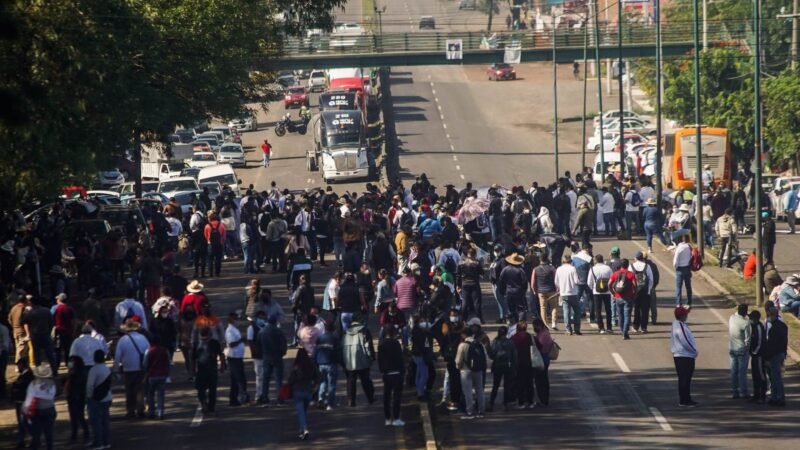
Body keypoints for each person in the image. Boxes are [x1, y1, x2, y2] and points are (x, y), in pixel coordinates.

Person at [113, 318, 150, 418]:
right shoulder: (142, 338)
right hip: (141, 367)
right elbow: (148, 351)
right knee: (140, 390)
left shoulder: (122, 340)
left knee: (129, 390)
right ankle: (140, 409)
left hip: (128, 368)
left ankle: (130, 410)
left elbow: (117, 356)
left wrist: (115, 369)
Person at [342, 315, 375, 406]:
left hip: (349, 360)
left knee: (351, 380)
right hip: (362, 359)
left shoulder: (346, 332)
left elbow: (342, 346)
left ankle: (351, 400)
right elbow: (368, 346)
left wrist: (344, 361)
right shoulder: (364, 331)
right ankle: (370, 398)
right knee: (365, 380)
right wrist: (371, 357)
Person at [23, 363, 57, 450]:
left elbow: (29, 398)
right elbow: (51, 396)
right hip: (49, 409)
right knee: (49, 433)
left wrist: (25, 409)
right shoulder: (52, 383)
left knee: (36, 433)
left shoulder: (33, 384)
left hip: (38, 410)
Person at [455, 328, 487, 419]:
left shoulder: (462, 345)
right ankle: (481, 410)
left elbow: (458, 360)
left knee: (468, 392)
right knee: (479, 390)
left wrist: (459, 367)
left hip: (466, 370)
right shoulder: (479, 344)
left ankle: (470, 411)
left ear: (464, 335)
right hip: (478, 370)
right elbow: (484, 357)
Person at [193, 326, 225, 414]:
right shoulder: (213, 342)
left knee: (202, 389)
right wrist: (222, 366)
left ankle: (206, 404)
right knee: (210, 390)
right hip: (209, 370)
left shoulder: (198, 344)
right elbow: (221, 355)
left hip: (204, 370)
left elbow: (192, 359)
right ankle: (209, 406)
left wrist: (192, 371)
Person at [378, 325, 405, 426]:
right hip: (397, 373)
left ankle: (388, 418)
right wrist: (402, 371)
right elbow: (400, 358)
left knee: (387, 396)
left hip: (387, 373)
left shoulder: (381, 344)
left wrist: (382, 370)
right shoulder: (396, 344)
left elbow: (380, 360)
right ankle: (396, 418)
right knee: (397, 397)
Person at [671, 306, 698, 407]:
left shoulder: (678, 324)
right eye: (686, 314)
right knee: (685, 379)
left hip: (682, 355)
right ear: (682, 316)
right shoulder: (680, 327)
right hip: (684, 355)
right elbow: (685, 341)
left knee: (684, 379)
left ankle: (686, 398)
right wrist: (694, 351)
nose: (687, 315)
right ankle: (684, 400)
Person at [259, 313, 287, 405]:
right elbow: (283, 344)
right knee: (278, 379)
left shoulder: (262, 331)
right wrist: (282, 353)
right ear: (275, 321)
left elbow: (258, 343)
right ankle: (279, 398)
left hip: (266, 357)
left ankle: (264, 397)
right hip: (277, 357)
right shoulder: (278, 331)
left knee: (266, 378)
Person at [86, 350, 112, 450]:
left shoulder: (93, 370)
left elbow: (90, 385)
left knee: (96, 422)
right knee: (105, 421)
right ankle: (106, 442)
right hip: (107, 397)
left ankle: (98, 443)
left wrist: (89, 396)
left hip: (96, 398)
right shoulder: (107, 369)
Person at [289, 348, 316, 440]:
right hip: (308, 392)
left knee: (300, 412)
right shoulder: (311, 366)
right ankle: (302, 430)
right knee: (304, 412)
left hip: (298, 392)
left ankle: (304, 429)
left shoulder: (296, 368)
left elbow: (291, 380)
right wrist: (314, 389)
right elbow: (319, 378)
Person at [763, 307, 787, 407]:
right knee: (776, 377)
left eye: (769, 315)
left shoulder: (774, 329)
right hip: (781, 353)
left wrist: (767, 357)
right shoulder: (783, 326)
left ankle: (779, 397)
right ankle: (775, 397)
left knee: (775, 378)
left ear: (772, 315)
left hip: (774, 355)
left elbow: (771, 344)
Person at [488, 325, 516, 411]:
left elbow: (491, 354)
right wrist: (514, 366)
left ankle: (491, 403)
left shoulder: (495, 342)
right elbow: (514, 355)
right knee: (507, 386)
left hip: (497, 365)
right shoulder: (510, 342)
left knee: (495, 385)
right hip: (507, 366)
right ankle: (506, 404)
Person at [224, 312, 248, 406]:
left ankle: (234, 399)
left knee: (235, 379)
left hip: (238, 357)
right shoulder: (230, 330)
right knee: (239, 379)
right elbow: (231, 344)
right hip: (234, 358)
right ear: (230, 320)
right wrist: (241, 339)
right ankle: (240, 398)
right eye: (235, 319)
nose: (237, 320)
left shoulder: (234, 329)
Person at [143, 335, 170, 419]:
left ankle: (151, 412)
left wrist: (146, 372)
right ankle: (160, 413)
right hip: (162, 375)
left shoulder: (149, 351)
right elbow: (168, 362)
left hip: (152, 375)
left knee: (150, 394)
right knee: (161, 395)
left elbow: (145, 364)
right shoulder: (165, 350)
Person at [609, 259, 637, 339]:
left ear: (620, 265)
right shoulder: (631, 274)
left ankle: (622, 331)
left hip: (618, 297)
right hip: (628, 297)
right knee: (627, 315)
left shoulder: (615, 273)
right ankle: (625, 332)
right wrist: (634, 294)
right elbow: (635, 285)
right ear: (628, 265)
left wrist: (613, 293)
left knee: (620, 315)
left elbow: (609, 284)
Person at [315, 320, 340, 410]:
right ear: (333, 329)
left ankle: (320, 399)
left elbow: (316, 350)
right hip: (331, 363)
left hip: (321, 363)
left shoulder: (320, 338)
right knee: (331, 384)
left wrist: (316, 361)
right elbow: (338, 352)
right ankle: (329, 404)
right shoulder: (335, 338)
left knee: (322, 382)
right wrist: (341, 362)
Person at [728, 304, 751, 399]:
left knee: (734, 371)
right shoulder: (746, 323)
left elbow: (735, 314)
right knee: (742, 372)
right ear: (745, 312)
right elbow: (748, 339)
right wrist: (747, 349)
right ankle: (744, 391)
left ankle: (735, 391)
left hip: (732, 348)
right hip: (742, 349)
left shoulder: (731, 318)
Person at [554, 255, 581, 335]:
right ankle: (577, 329)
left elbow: (556, 282)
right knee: (577, 311)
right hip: (573, 293)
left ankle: (568, 329)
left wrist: (560, 287)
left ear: (562, 261)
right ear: (570, 261)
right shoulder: (573, 269)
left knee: (566, 311)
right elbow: (576, 281)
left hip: (563, 293)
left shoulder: (559, 269)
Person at [64, 355, 89, 443]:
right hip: (76, 396)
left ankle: (78, 435)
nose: (69, 363)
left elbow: (74, 385)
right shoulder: (77, 372)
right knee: (78, 416)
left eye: (71, 362)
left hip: (76, 397)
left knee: (77, 416)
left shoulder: (77, 374)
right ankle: (82, 433)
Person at [587, 254, 613, 333]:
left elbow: (589, 282)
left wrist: (593, 288)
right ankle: (609, 327)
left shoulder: (593, 269)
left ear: (595, 260)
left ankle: (601, 328)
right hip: (607, 291)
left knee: (598, 310)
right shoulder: (608, 268)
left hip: (596, 292)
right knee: (608, 310)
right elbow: (612, 279)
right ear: (602, 259)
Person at [11, 357, 34, 449]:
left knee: (24, 422)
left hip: (23, 402)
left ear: (22, 365)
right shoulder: (25, 375)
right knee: (22, 423)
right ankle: (21, 441)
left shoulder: (27, 375)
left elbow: (22, 387)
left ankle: (33, 438)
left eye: (19, 365)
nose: (18, 367)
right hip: (21, 401)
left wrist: (15, 385)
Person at [531, 253, 558, 329]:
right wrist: (557, 288)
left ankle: (545, 324)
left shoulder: (535, 269)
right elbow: (556, 279)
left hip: (541, 291)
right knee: (554, 307)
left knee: (543, 308)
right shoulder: (552, 268)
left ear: (540, 259)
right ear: (547, 259)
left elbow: (533, 282)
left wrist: (534, 291)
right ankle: (554, 323)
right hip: (551, 290)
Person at [410, 315, 434, 401]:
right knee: (424, 375)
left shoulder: (414, 331)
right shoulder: (419, 333)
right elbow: (424, 345)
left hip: (416, 355)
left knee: (419, 374)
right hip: (421, 355)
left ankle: (419, 390)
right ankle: (421, 393)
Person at [498, 253, 528, 322]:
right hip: (519, 292)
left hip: (509, 292)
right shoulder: (520, 270)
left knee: (511, 309)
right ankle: (521, 323)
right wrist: (524, 291)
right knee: (521, 309)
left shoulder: (505, 269)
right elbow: (525, 282)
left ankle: (513, 323)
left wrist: (502, 291)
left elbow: (501, 282)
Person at [457, 247, 484, 321]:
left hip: (464, 284)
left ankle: (463, 319)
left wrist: (458, 285)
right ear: (474, 254)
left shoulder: (461, 262)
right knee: (477, 302)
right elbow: (482, 272)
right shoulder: (476, 262)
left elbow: (458, 275)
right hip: (474, 283)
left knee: (465, 302)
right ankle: (479, 318)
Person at [630, 251, 654, 334]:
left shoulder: (631, 266)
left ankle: (635, 326)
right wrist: (649, 290)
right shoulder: (647, 266)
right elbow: (651, 279)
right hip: (645, 291)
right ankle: (644, 327)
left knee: (636, 309)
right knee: (645, 310)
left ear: (636, 258)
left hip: (635, 291)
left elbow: (629, 279)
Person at [51, 292, 75, 373]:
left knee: (57, 349)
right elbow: (73, 320)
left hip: (59, 332)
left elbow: (52, 318)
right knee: (67, 349)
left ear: (59, 300)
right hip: (68, 332)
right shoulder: (69, 308)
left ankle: (56, 366)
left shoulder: (56, 308)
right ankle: (68, 365)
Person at [246, 311, 267, 404]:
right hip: (258, 356)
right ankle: (259, 395)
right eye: (260, 317)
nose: (262, 319)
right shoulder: (251, 328)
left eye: (263, 317)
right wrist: (254, 352)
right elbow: (250, 341)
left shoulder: (266, 326)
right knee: (259, 376)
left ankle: (264, 394)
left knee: (265, 376)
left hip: (266, 355)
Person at [531, 319, 553, 406]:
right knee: (543, 380)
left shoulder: (543, 334)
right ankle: (544, 399)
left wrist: (534, 340)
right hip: (545, 359)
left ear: (539, 325)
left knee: (540, 381)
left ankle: (543, 400)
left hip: (541, 360)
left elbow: (540, 347)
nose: (534, 328)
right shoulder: (545, 332)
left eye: (535, 326)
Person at [748, 310, 767, 403]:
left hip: (759, 355)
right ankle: (756, 395)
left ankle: (762, 396)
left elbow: (760, 342)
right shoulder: (753, 326)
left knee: (761, 375)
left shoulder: (759, 327)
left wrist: (754, 352)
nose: (750, 319)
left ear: (755, 318)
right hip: (754, 355)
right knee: (755, 375)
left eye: (751, 318)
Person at [673, 235, 693, 308]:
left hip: (680, 269)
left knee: (678, 287)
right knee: (688, 286)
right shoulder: (689, 247)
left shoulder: (679, 248)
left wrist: (676, 267)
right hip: (687, 268)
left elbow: (675, 261)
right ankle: (689, 303)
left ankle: (679, 303)